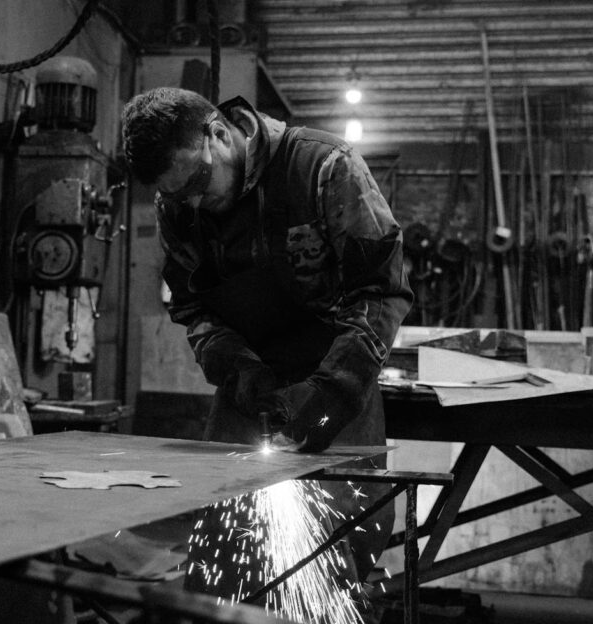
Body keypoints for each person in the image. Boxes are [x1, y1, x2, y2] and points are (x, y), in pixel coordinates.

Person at [121, 87, 412, 608]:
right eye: (174, 193)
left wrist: (334, 389)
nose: (190, 202)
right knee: (225, 549)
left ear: (218, 132)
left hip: (336, 374)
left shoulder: (323, 168)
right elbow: (194, 309)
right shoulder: (178, 206)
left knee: (334, 550)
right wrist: (239, 372)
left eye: (195, 182)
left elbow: (381, 290)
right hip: (249, 382)